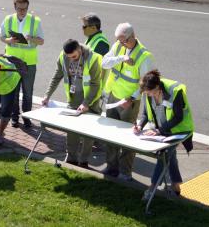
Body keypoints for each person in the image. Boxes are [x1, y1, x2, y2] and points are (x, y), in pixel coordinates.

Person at [102, 22, 155, 181]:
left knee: (127, 138)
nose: (120, 43)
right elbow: (104, 63)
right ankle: (111, 167)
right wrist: (121, 58)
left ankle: (125, 173)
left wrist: (131, 99)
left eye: (124, 40)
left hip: (129, 102)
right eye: (118, 40)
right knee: (111, 135)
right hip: (113, 97)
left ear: (133, 37)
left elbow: (146, 84)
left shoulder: (144, 56)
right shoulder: (118, 46)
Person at [133, 70, 194, 200]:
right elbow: (145, 114)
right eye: (146, 93)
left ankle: (152, 187)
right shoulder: (147, 92)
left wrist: (159, 131)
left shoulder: (175, 92)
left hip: (178, 131)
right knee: (169, 155)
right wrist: (140, 125)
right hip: (162, 131)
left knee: (164, 153)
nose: (148, 95)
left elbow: (178, 117)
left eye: (149, 92)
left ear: (157, 88)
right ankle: (176, 186)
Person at [42, 39, 102, 168]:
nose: (72, 59)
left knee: (88, 132)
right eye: (69, 57)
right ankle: (71, 158)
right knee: (72, 131)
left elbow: (95, 84)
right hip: (73, 100)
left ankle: (84, 160)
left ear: (79, 50)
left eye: (74, 56)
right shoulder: (63, 56)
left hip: (90, 101)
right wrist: (47, 95)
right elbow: (57, 75)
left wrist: (86, 103)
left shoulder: (93, 58)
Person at [0, 0, 44, 129]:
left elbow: (41, 41)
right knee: (14, 92)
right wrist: (8, 41)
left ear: (28, 7)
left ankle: (27, 117)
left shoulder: (35, 20)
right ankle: (14, 118)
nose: (22, 11)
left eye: (25, 9)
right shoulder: (8, 19)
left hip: (29, 62)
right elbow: (1, 36)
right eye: (19, 9)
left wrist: (32, 38)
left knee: (28, 93)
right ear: (15, 7)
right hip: (12, 62)